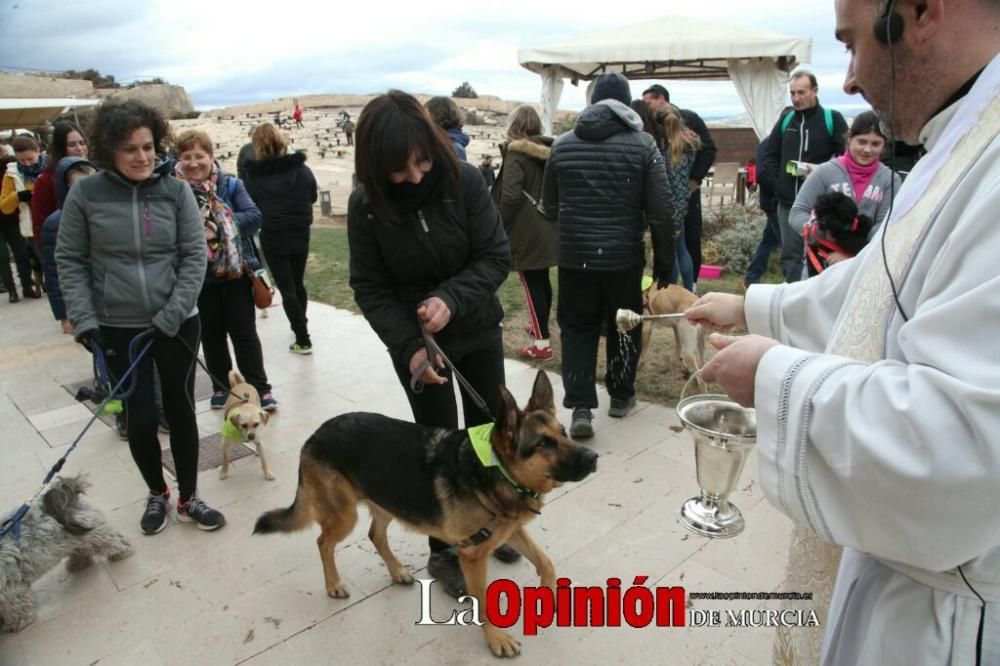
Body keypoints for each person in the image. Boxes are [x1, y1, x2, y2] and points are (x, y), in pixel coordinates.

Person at [686, 0, 1000, 662]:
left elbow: (960, 449)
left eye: (852, 44)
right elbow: (878, 291)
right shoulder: (964, 139)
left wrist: (773, 374)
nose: (850, 79)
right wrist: (752, 307)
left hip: (946, 619)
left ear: (920, 11)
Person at [347, 90, 513, 600]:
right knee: (437, 445)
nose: (415, 177)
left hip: (477, 330)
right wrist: (410, 348)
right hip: (419, 347)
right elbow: (369, 288)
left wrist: (451, 299)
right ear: (375, 167)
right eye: (399, 170)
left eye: (421, 161)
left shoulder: (463, 181)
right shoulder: (366, 206)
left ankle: (490, 522)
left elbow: (494, 256)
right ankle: (444, 549)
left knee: (486, 433)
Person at [57, 99, 225, 535]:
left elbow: (194, 258)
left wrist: (171, 314)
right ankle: (158, 493)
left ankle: (189, 496)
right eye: (130, 148)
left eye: (148, 146)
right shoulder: (85, 194)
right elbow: (70, 259)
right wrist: (84, 319)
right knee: (140, 418)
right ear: (109, 149)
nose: (142, 157)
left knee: (181, 408)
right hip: (117, 326)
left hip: (177, 323)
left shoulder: (175, 192)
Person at [542, 73, 674, 438]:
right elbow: (662, 210)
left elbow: (549, 205)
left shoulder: (563, 145)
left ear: (593, 102)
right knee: (624, 324)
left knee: (577, 328)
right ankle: (620, 395)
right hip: (622, 257)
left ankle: (581, 407)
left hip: (574, 256)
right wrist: (665, 260)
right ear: (626, 104)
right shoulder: (644, 145)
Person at [173, 129, 277, 411]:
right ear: (179, 159)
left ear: (211, 157)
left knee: (244, 333)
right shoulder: (172, 190)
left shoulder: (230, 185)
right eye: (187, 157)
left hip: (234, 272)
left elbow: (254, 217)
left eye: (200, 156)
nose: (194, 163)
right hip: (197, 275)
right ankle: (221, 386)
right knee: (211, 334)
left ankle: (259, 388)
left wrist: (218, 223)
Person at [760, 71, 849, 282]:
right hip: (788, 203)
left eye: (801, 92)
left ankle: (821, 297)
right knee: (790, 256)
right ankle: (792, 300)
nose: (796, 98)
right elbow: (770, 156)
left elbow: (845, 158)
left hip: (821, 205)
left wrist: (821, 174)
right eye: (792, 93)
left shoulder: (831, 119)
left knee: (822, 253)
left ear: (815, 91)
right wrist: (778, 184)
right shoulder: (786, 120)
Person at [788, 110, 901, 275]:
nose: (867, 149)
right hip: (821, 266)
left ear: (884, 145)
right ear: (849, 139)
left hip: (864, 267)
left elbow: (885, 225)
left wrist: (852, 253)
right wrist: (821, 233)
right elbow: (797, 212)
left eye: (875, 144)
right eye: (861, 142)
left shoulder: (890, 180)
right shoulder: (825, 172)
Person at [243, 123, 317, 354]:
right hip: (299, 231)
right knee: (298, 284)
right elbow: (313, 196)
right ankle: (301, 325)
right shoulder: (301, 170)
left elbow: (251, 206)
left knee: (287, 288)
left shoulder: (253, 177)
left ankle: (302, 337)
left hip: (273, 234)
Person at [494, 105, 556, 361]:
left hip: (525, 230)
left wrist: (498, 225)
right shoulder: (548, 152)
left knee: (531, 284)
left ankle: (541, 344)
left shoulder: (516, 154)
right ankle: (539, 327)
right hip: (547, 226)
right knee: (541, 282)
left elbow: (509, 196)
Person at [642, 84, 717, 290]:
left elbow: (666, 180)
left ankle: (670, 288)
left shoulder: (668, 153)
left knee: (671, 251)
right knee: (682, 248)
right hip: (683, 202)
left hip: (670, 205)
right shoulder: (688, 145)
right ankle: (690, 287)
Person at [41, 156, 95, 335]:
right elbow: (54, 273)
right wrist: (64, 314)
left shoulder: (105, 214)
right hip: (81, 302)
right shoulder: (55, 224)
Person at [0, 134, 46, 299]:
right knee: (47, 266)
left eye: (30, 159)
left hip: (57, 221)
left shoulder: (51, 166)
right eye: (22, 161)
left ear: (38, 151)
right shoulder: (11, 174)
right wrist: (18, 196)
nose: (26, 163)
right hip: (32, 228)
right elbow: (4, 206)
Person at [31, 122, 88, 249]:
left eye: (82, 142)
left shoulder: (96, 171)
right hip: (64, 249)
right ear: (61, 148)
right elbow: (40, 224)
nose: (80, 148)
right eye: (72, 145)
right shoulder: (46, 180)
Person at [744, 134, 783, 287]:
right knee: (787, 245)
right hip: (774, 203)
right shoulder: (771, 143)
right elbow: (764, 175)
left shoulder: (774, 142)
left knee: (769, 242)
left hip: (775, 201)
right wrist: (783, 189)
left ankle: (752, 277)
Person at [425, 96, 470, 161]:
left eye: (426, 115)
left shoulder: (453, 149)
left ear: (439, 116)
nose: (423, 119)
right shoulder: (438, 141)